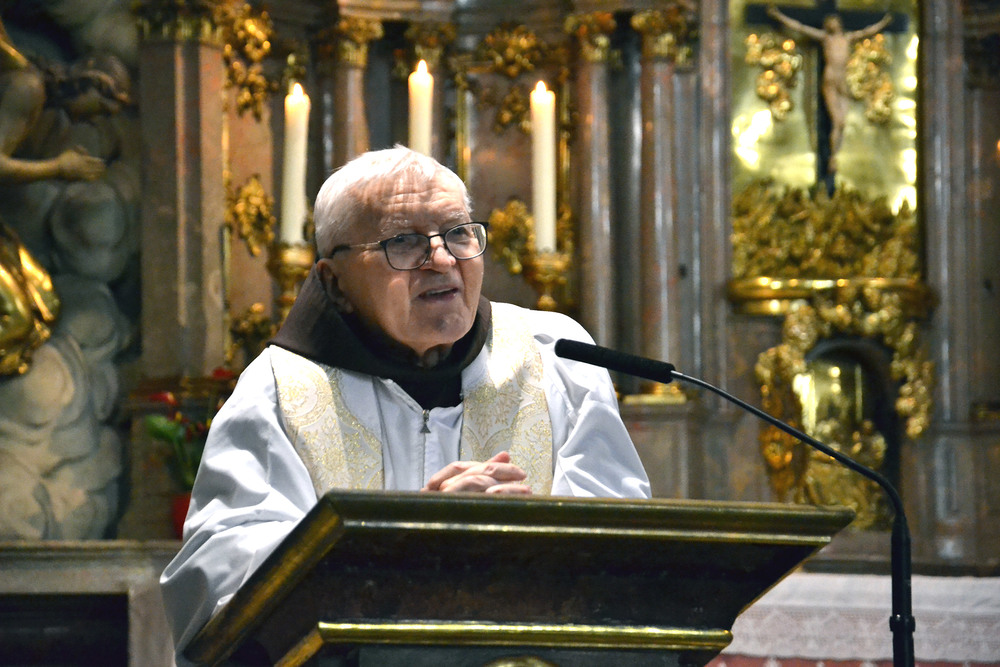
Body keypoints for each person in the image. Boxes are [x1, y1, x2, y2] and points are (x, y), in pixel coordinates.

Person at [160, 146, 651, 660]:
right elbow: (222, 590)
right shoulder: (280, 391)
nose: (442, 259)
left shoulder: (556, 360)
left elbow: (625, 554)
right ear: (334, 281)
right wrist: (406, 545)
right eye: (403, 242)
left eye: (458, 233)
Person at [767, 5, 891, 172]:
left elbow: (867, 32)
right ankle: (832, 157)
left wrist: (884, 23)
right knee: (836, 120)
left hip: (842, 81)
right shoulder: (826, 39)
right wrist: (778, 16)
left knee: (841, 123)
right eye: (829, 22)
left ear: (839, 23)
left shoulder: (847, 38)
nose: (831, 25)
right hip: (831, 80)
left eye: (834, 22)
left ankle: (835, 156)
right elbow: (799, 27)